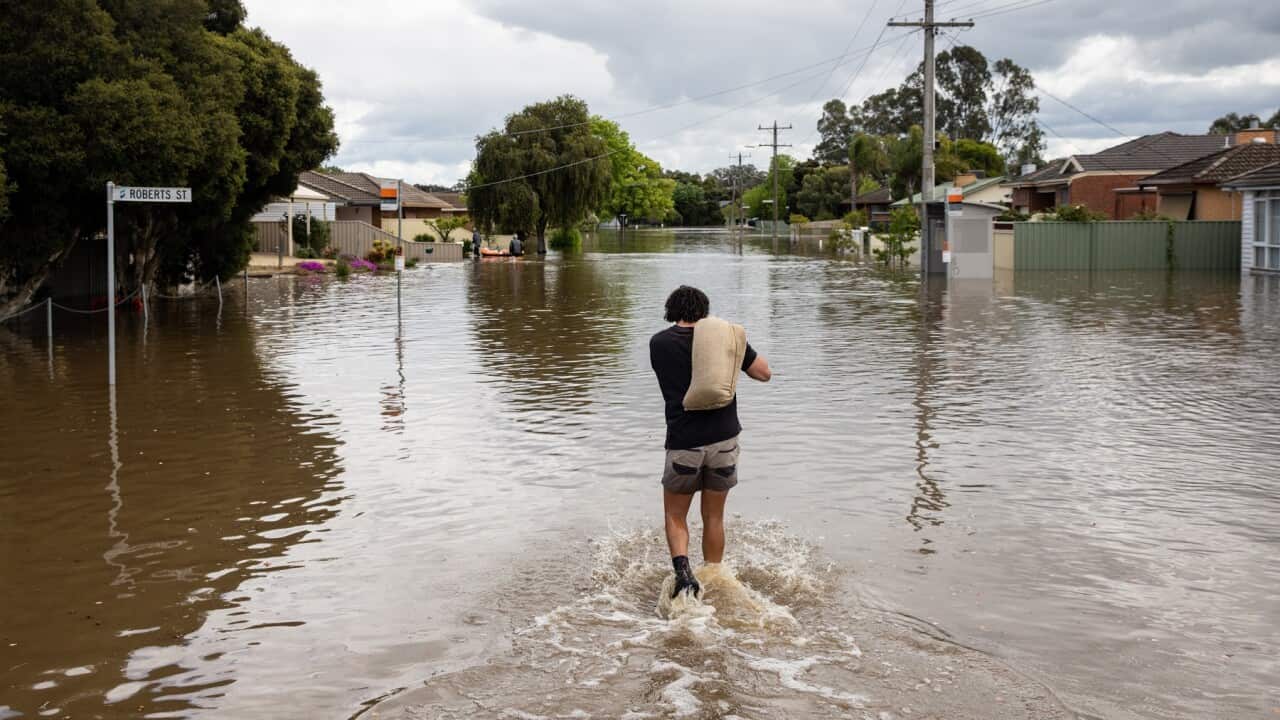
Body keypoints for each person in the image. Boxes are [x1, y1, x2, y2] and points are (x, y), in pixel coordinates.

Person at [649, 285, 771, 599]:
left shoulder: (659, 343)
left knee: (676, 515)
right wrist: (734, 351)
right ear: (704, 312)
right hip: (724, 441)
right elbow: (763, 374)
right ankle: (715, 579)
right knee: (713, 516)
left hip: (684, 444)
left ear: (671, 311)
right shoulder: (727, 339)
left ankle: (684, 576)